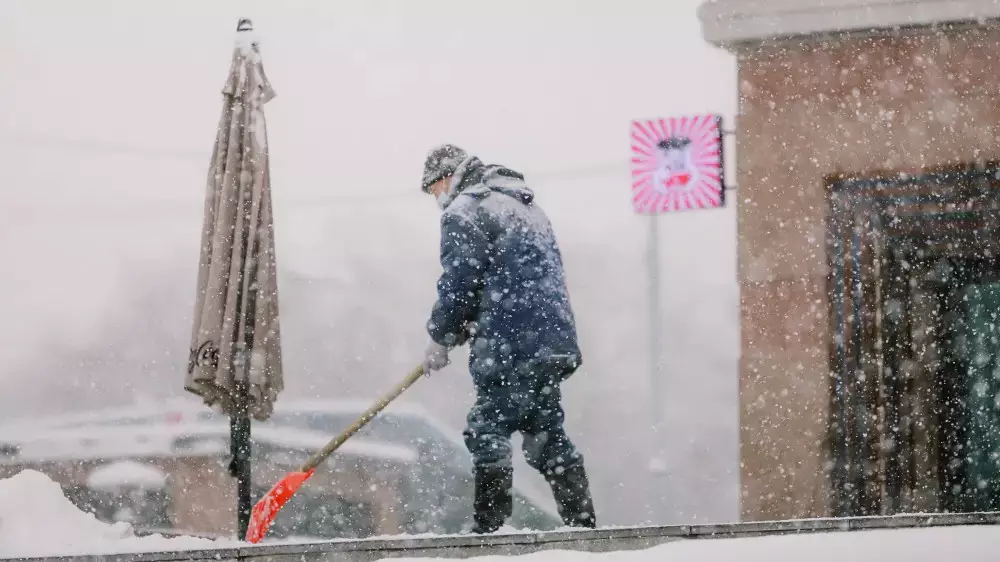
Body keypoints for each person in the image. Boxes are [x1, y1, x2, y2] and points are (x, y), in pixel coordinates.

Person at [419, 144, 597, 533]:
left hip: (509, 341)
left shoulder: (466, 209)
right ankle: (583, 525)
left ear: (446, 177)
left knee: (488, 427)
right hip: (551, 341)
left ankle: (490, 529)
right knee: (544, 431)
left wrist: (441, 337)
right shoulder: (524, 205)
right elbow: (516, 273)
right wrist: (469, 321)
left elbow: (460, 282)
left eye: (434, 190)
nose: (437, 200)